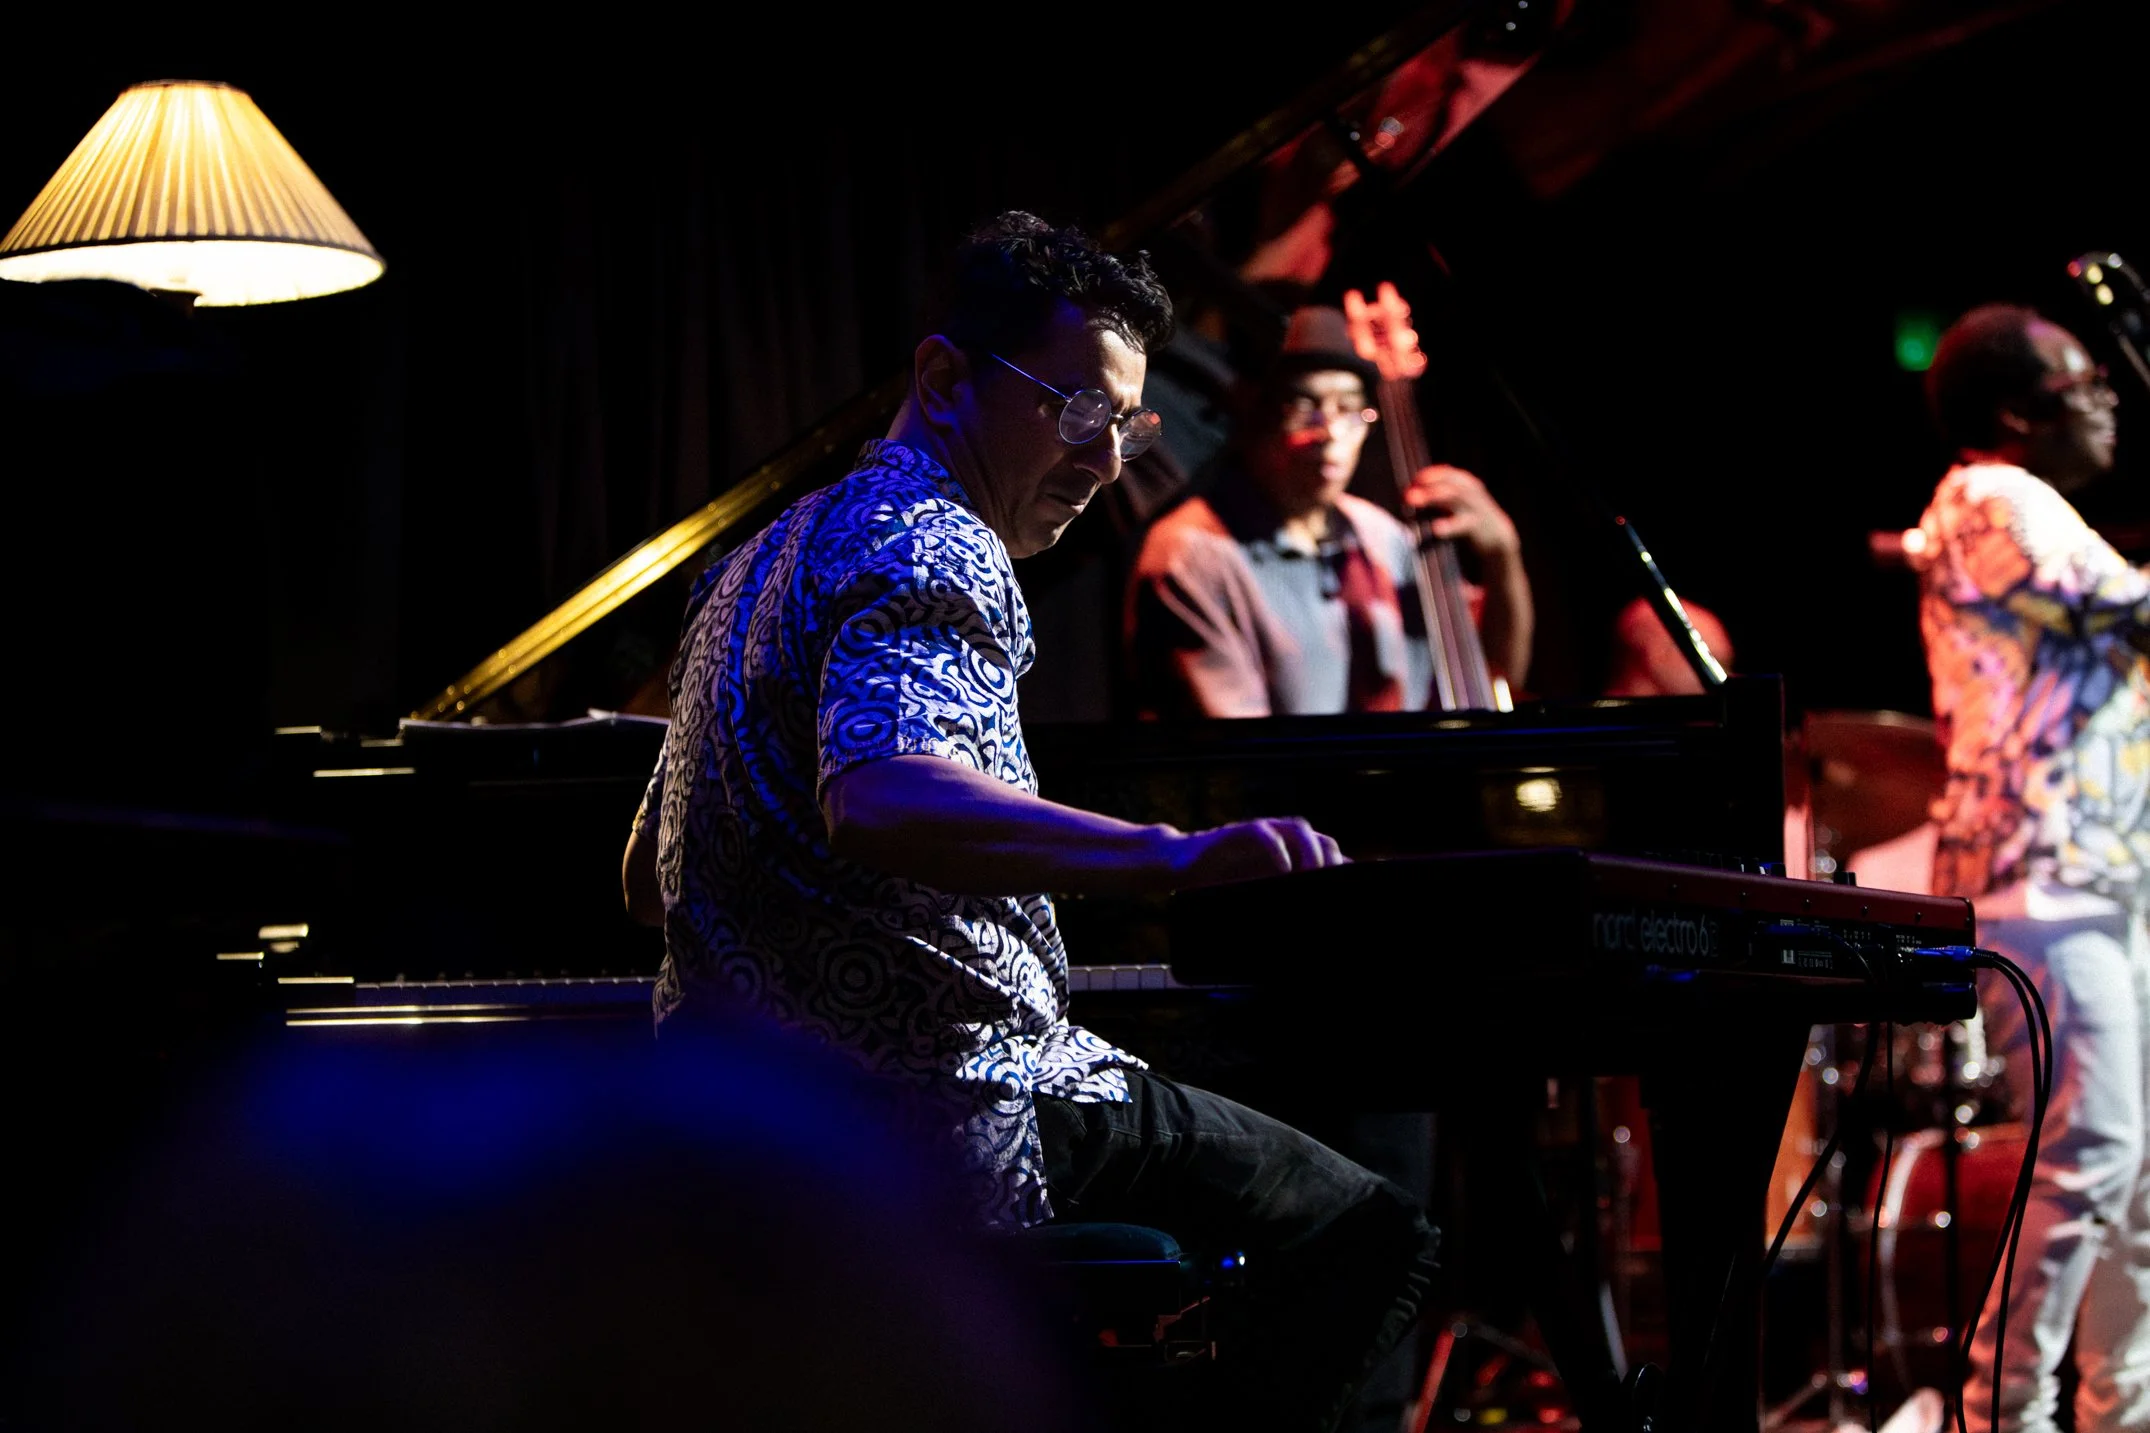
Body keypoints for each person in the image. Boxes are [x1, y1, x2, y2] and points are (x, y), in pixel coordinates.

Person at [620, 213, 1439, 1433]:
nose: (1104, 459)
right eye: (1074, 414)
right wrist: (1177, 856)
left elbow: (647, 873)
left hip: (741, 1112)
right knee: (1362, 1228)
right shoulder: (937, 536)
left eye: (1125, 424)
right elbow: (883, 792)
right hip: (943, 1104)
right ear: (944, 378)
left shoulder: (748, 563)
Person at [1909, 302, 2150, 1433]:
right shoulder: (1989, 496)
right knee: (2091, 1147)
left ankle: (2121, 1409)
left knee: (2136, 1176)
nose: (2107, 396)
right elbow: (2130, 608)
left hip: (2099, 881)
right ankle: (1995, 1415)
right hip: (2034, 880)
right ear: (2013, 413)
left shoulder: (2041, 510)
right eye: (2081, 382)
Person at [1127, 304, 1533, 717]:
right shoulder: (1193, 555)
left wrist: (1503, 553)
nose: (1331, 433)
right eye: (1305, 406)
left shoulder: (1384, 537)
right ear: (1258, 417)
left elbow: (1497, 675)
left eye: (1349, 409)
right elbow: (1243, 753)